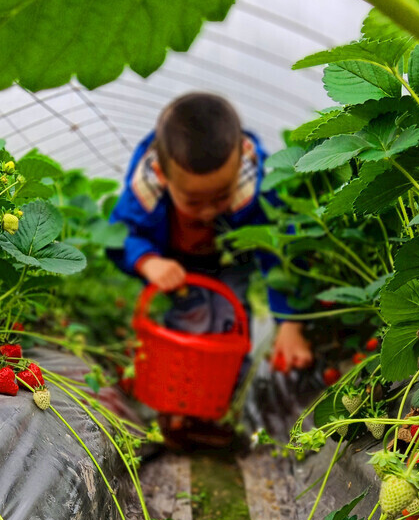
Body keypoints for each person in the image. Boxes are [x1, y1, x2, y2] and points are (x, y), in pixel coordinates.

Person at [107, 93, 312, 439]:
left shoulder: (259, 185)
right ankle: (176, 408)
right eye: (193, 201)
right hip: (179, 264)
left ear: (242, 159)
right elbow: (121, 234)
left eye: (221, 197)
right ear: (162, 175)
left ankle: (214, 411)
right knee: (190, 321)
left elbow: (279, 252)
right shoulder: (146, 189)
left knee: (231, 325)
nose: (208, 211)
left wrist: (289, 322)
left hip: (232, 259)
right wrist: (148, 260)